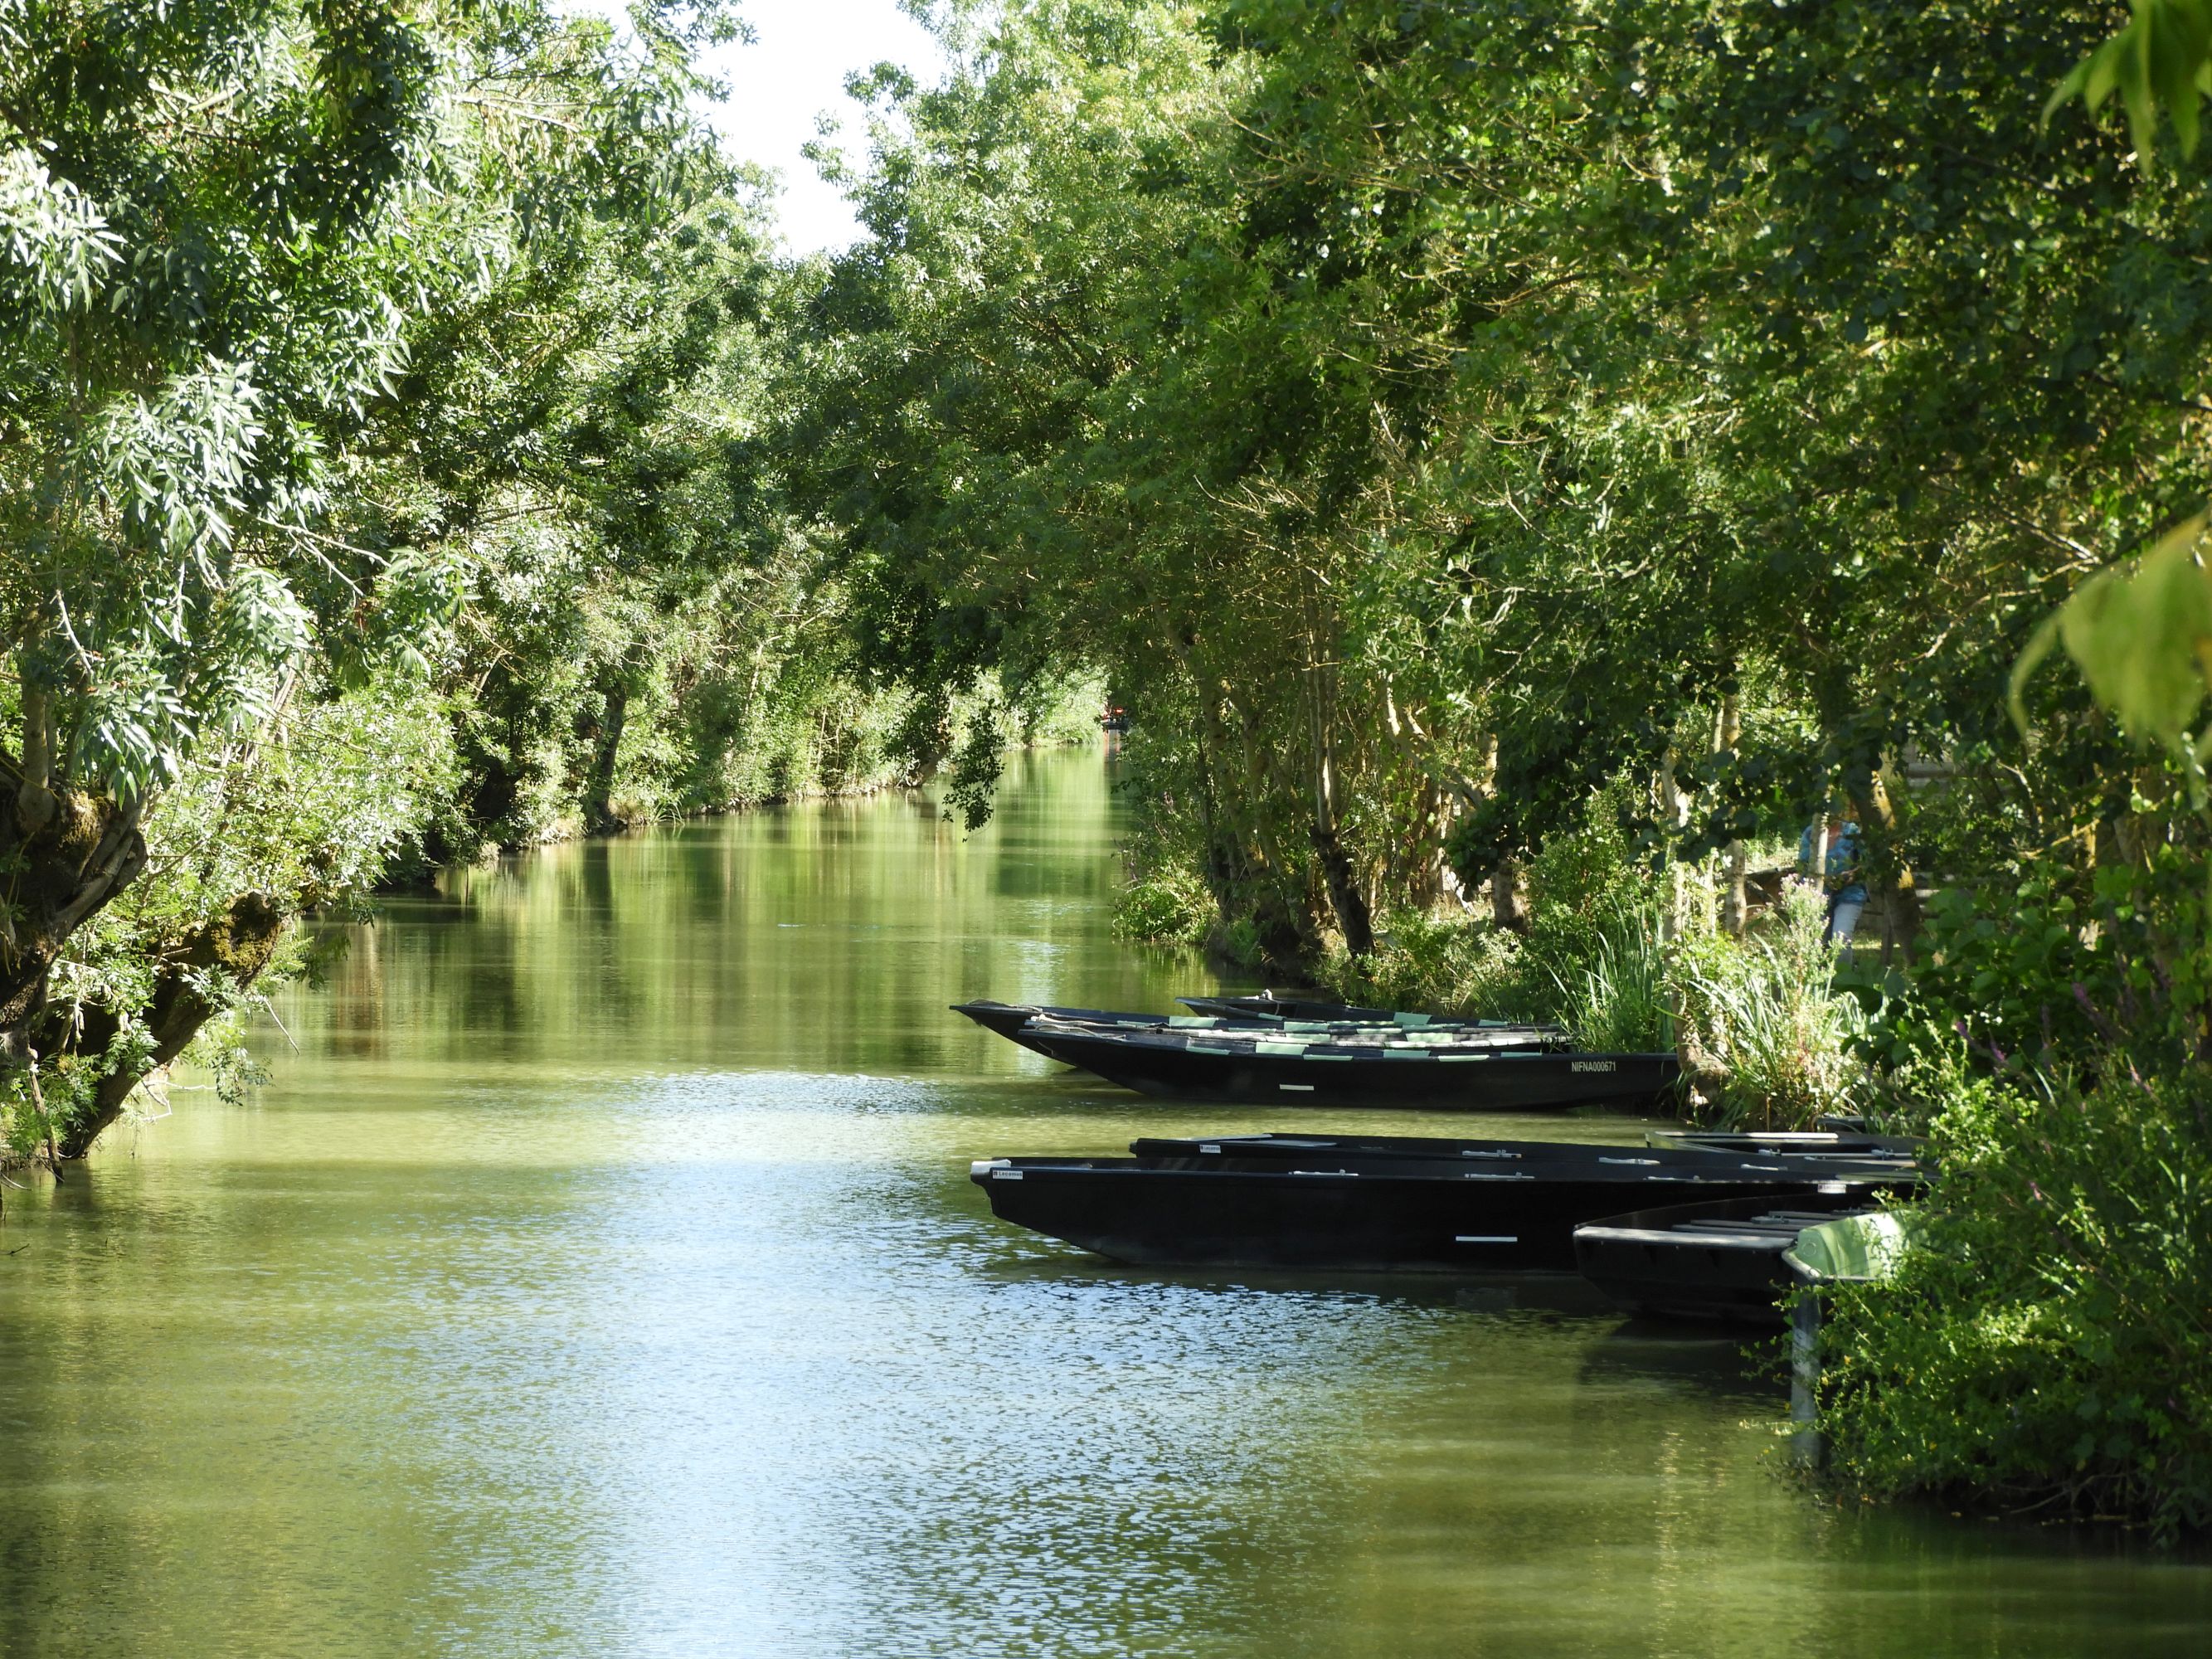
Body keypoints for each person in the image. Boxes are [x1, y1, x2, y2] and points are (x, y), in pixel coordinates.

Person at [1798, 811, 1868, 956]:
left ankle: (1843, 977)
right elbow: (1802, 865)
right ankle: (1820, 977)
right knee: (1816, 942)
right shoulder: (1810, 833)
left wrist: (1853, 875)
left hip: (1850, 893)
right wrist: (1823, 879)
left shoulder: (1852, 831)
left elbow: (1867, 864)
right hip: (1819, 893)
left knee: (1841, 939)